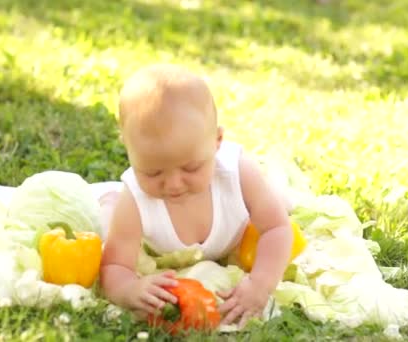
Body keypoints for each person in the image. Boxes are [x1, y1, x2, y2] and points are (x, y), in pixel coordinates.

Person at [98, 63, 293, 328]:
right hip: (153, 241)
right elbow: (114, 267)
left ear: (217, 141)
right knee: (105, 216)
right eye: (153, 173)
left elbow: (276, 229)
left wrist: (260, 284)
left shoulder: (237, 173)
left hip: (236, 234)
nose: (174, 184)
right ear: (129, 150)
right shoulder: (134, 199)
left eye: (191, 167)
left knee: (282, 202)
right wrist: (129, 289)